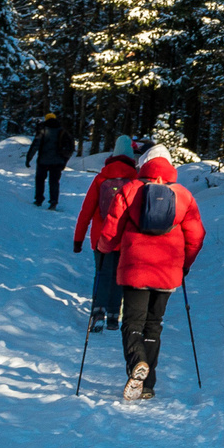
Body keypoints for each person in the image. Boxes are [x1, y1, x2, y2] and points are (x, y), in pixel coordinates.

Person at [97, 139, 202, 401]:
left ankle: (137, 364)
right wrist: (185, 264)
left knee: (133, 322)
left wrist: (104, 249)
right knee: (154, 325)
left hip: (135, 268)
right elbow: (197, 235)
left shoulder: (130, 190)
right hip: (167, 272)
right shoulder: (184, 196)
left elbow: (111, 228)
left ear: (144, 164)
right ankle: (148, 385)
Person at [72, 136, 142, 334]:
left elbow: (86, 211)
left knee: (102, 273)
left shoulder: (101, 177)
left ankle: (97, 313)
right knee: (119, 275)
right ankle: (113, 316)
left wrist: (78, 239)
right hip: (125, 238)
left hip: (101, 238)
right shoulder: (136, 180)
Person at [24, 111, 72, 209]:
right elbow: (69, 147)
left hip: (43, 161)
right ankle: (53, 202)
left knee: (40, 180)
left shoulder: (43, 129)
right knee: (54, 182)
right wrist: (64, 161)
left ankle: (39, 200)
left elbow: (35, 145)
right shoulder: (62, 130)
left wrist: (29, 158)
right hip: (58, 162)